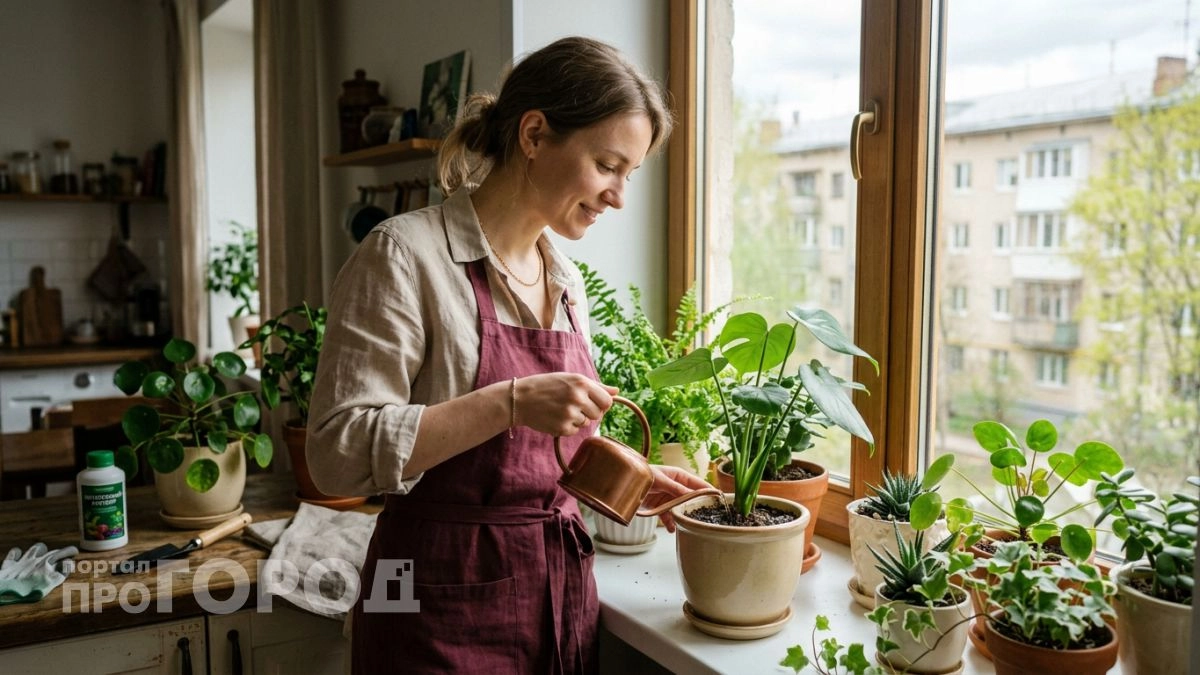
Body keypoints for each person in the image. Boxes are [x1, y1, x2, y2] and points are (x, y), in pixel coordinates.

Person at [307, 36, 715, 674]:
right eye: (608, 165)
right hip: (428, 602)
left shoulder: (565, 281)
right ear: (533, 134)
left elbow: (548, 455)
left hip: (555, 601)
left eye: (628, 174)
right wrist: (511, 400)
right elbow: (335, 454)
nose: (618, 196)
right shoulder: (405, 256)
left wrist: (636, 479)